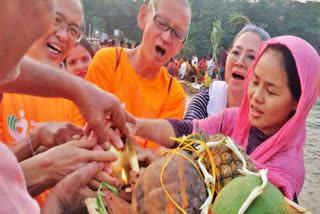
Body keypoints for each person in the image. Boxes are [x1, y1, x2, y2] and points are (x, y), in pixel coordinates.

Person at [132, 36, 320, 202]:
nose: (256, 96)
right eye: (254, 82)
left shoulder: (287, 175)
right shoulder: (233, 119)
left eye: (271, 91)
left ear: (299, 101)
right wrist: (133, 125)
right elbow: (186, 131)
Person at [0, 0, 134, 213]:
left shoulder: (72, 99)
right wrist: (48, 167)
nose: (63, 36)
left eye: (73, 30)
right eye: (55, 20)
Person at [73, 0, 191, 148]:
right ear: (143, 17)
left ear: (180, 46)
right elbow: (86, 133)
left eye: (177, 34)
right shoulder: (107, 63)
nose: (166, 38)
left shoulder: (174, 94)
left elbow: (154, 158)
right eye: (161, 22)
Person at [184, 25, 270, 120]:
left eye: (251, 57)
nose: (239, 62)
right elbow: (188, 129)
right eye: (236, 52)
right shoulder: (205, 101)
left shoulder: (267, 119)